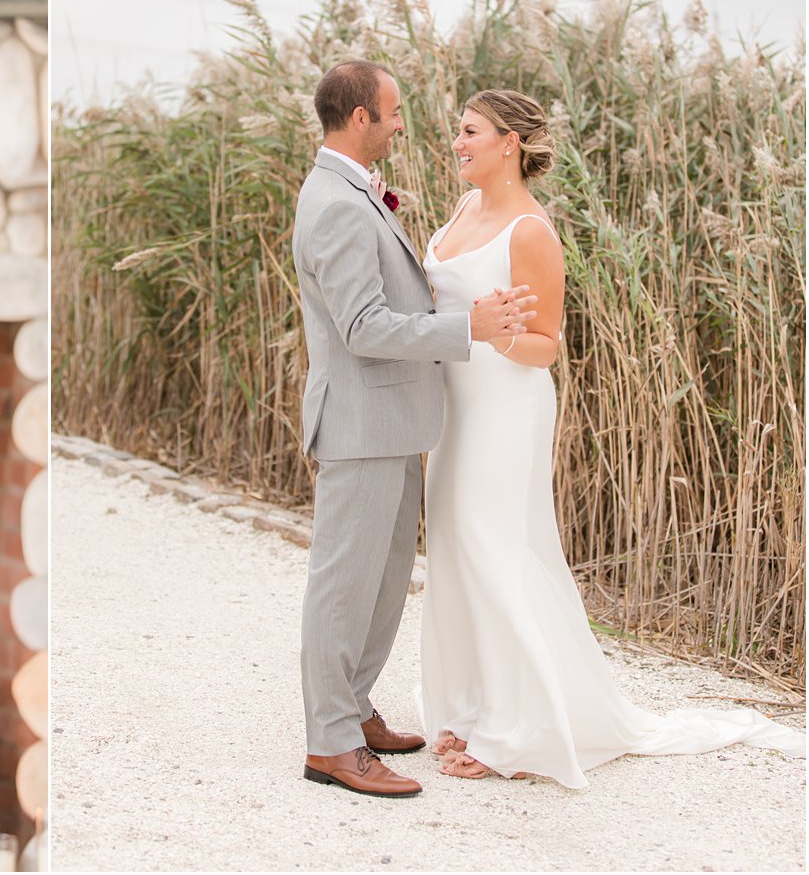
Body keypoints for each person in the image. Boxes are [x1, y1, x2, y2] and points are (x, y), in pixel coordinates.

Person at [419, 88, 805, 786]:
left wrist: (499, 330)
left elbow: (547, 345)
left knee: (494, 547)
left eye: (470, 131)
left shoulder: (530, 230)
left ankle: (513, 728)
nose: (456, 142)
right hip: (452, 407)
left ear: (510, 141)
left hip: (505, 408)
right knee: (452, 543)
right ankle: (471, 704)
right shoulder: (463, 209)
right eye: (458, 131)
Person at [290, 60, 536, 798]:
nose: (402, 124)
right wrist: (467, 327)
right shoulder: (334, 201)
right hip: (362, 420)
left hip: (393, 418)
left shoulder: (355, 191)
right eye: (393, 112)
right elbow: (363, 325)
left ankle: (355, 707)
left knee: (384, 578)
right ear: (360, 117)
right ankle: (330, 742)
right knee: (344, 582)